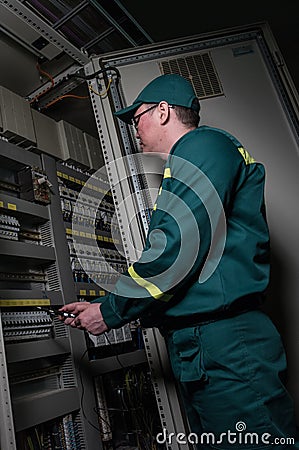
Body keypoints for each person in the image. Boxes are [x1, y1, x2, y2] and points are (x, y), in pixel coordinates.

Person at [59, 74, 298, 448]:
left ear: (164, 111)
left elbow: (175, 251)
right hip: (203, 345)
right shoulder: (195, 158)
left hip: (225, 343)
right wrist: (110, 306)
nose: (135, 129)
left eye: (137, 117)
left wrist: (110, 311)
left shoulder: (202, 145)